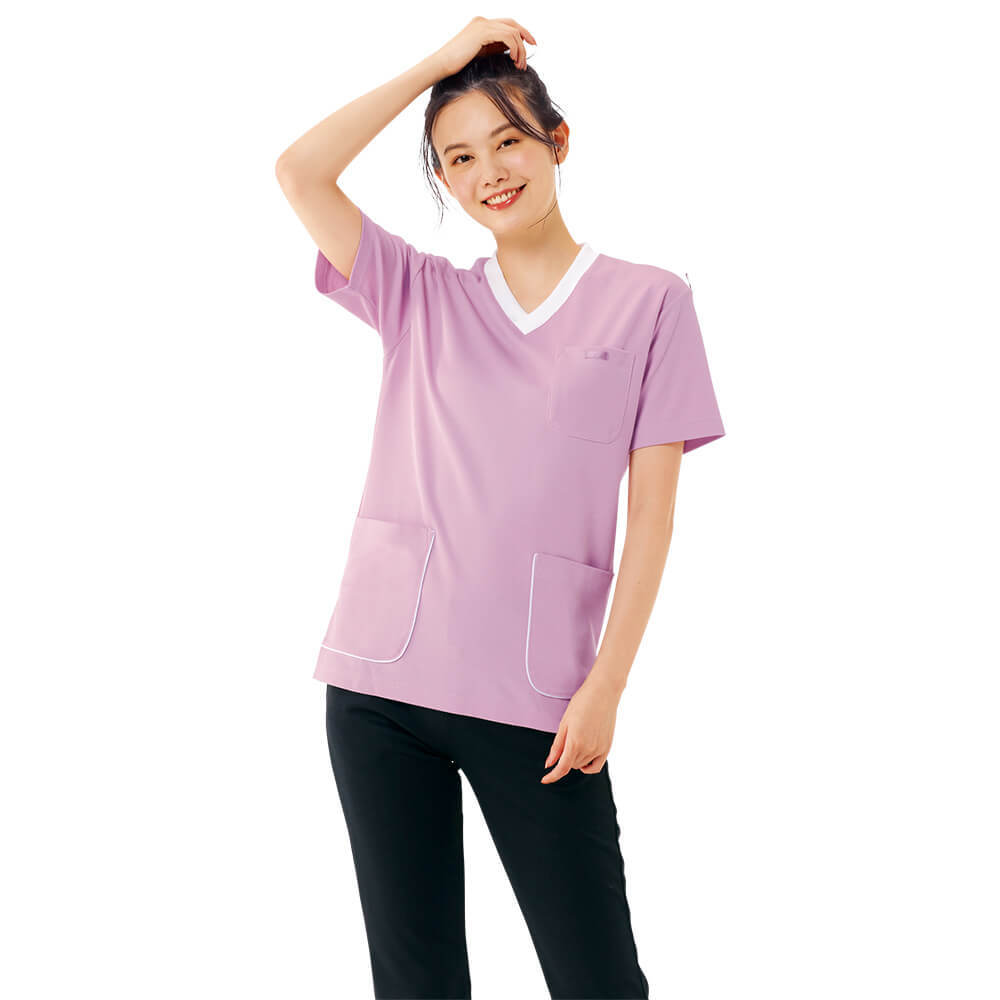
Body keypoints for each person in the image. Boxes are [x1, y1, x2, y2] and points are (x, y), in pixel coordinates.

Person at [276, 17, 725, 1000]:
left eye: (509, 140)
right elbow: (300, 172)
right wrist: (439, 64)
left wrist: (606, 686)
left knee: (598, 980)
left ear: (558, 142)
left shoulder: (650, 303)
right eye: (459, 158)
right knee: (417, 983)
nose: (490, 172)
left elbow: (652, 518)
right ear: (444, 180)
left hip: (541, 698)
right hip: (381, 685)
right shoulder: (417, 294)